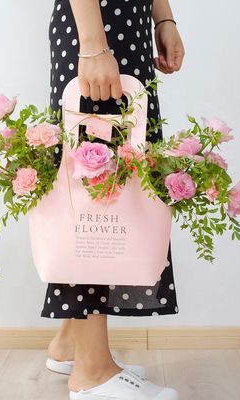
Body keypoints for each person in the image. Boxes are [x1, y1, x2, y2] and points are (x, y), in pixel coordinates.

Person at [42, 0, 185, 398]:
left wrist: (163, 17)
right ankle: (92, 372)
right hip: (97, 26)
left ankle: (71, 345)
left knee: (116, 185)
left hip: (123, 26)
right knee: (94, 189)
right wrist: (92, 43)